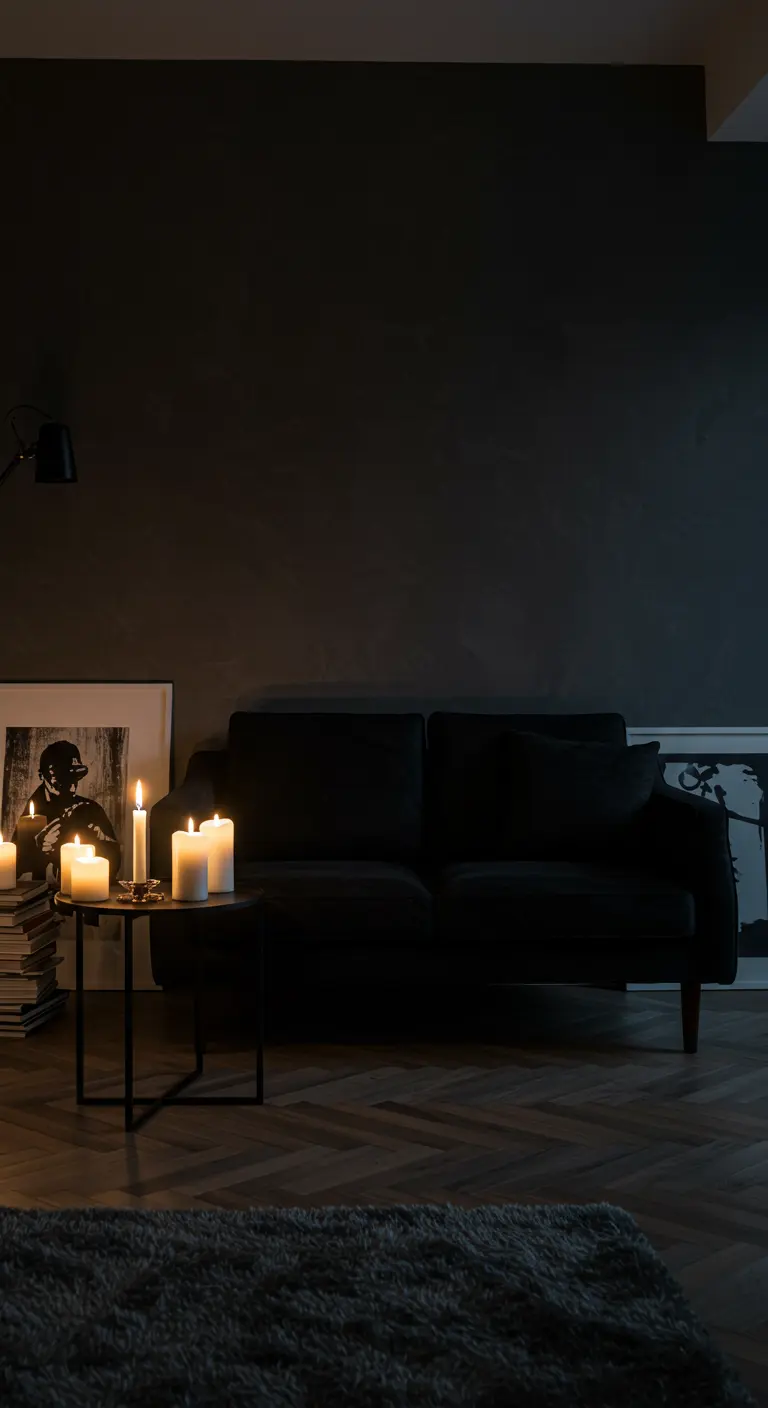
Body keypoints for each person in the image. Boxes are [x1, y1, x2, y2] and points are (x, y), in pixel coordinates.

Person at [12, 740, 121, 884]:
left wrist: (94, 840)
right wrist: (38, 850)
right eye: (61, 778)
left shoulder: (91, 810)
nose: (71, 787)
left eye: (74, 777)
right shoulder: (30, 817)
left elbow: (113, 863)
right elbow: (13, 868)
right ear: (42, 776)